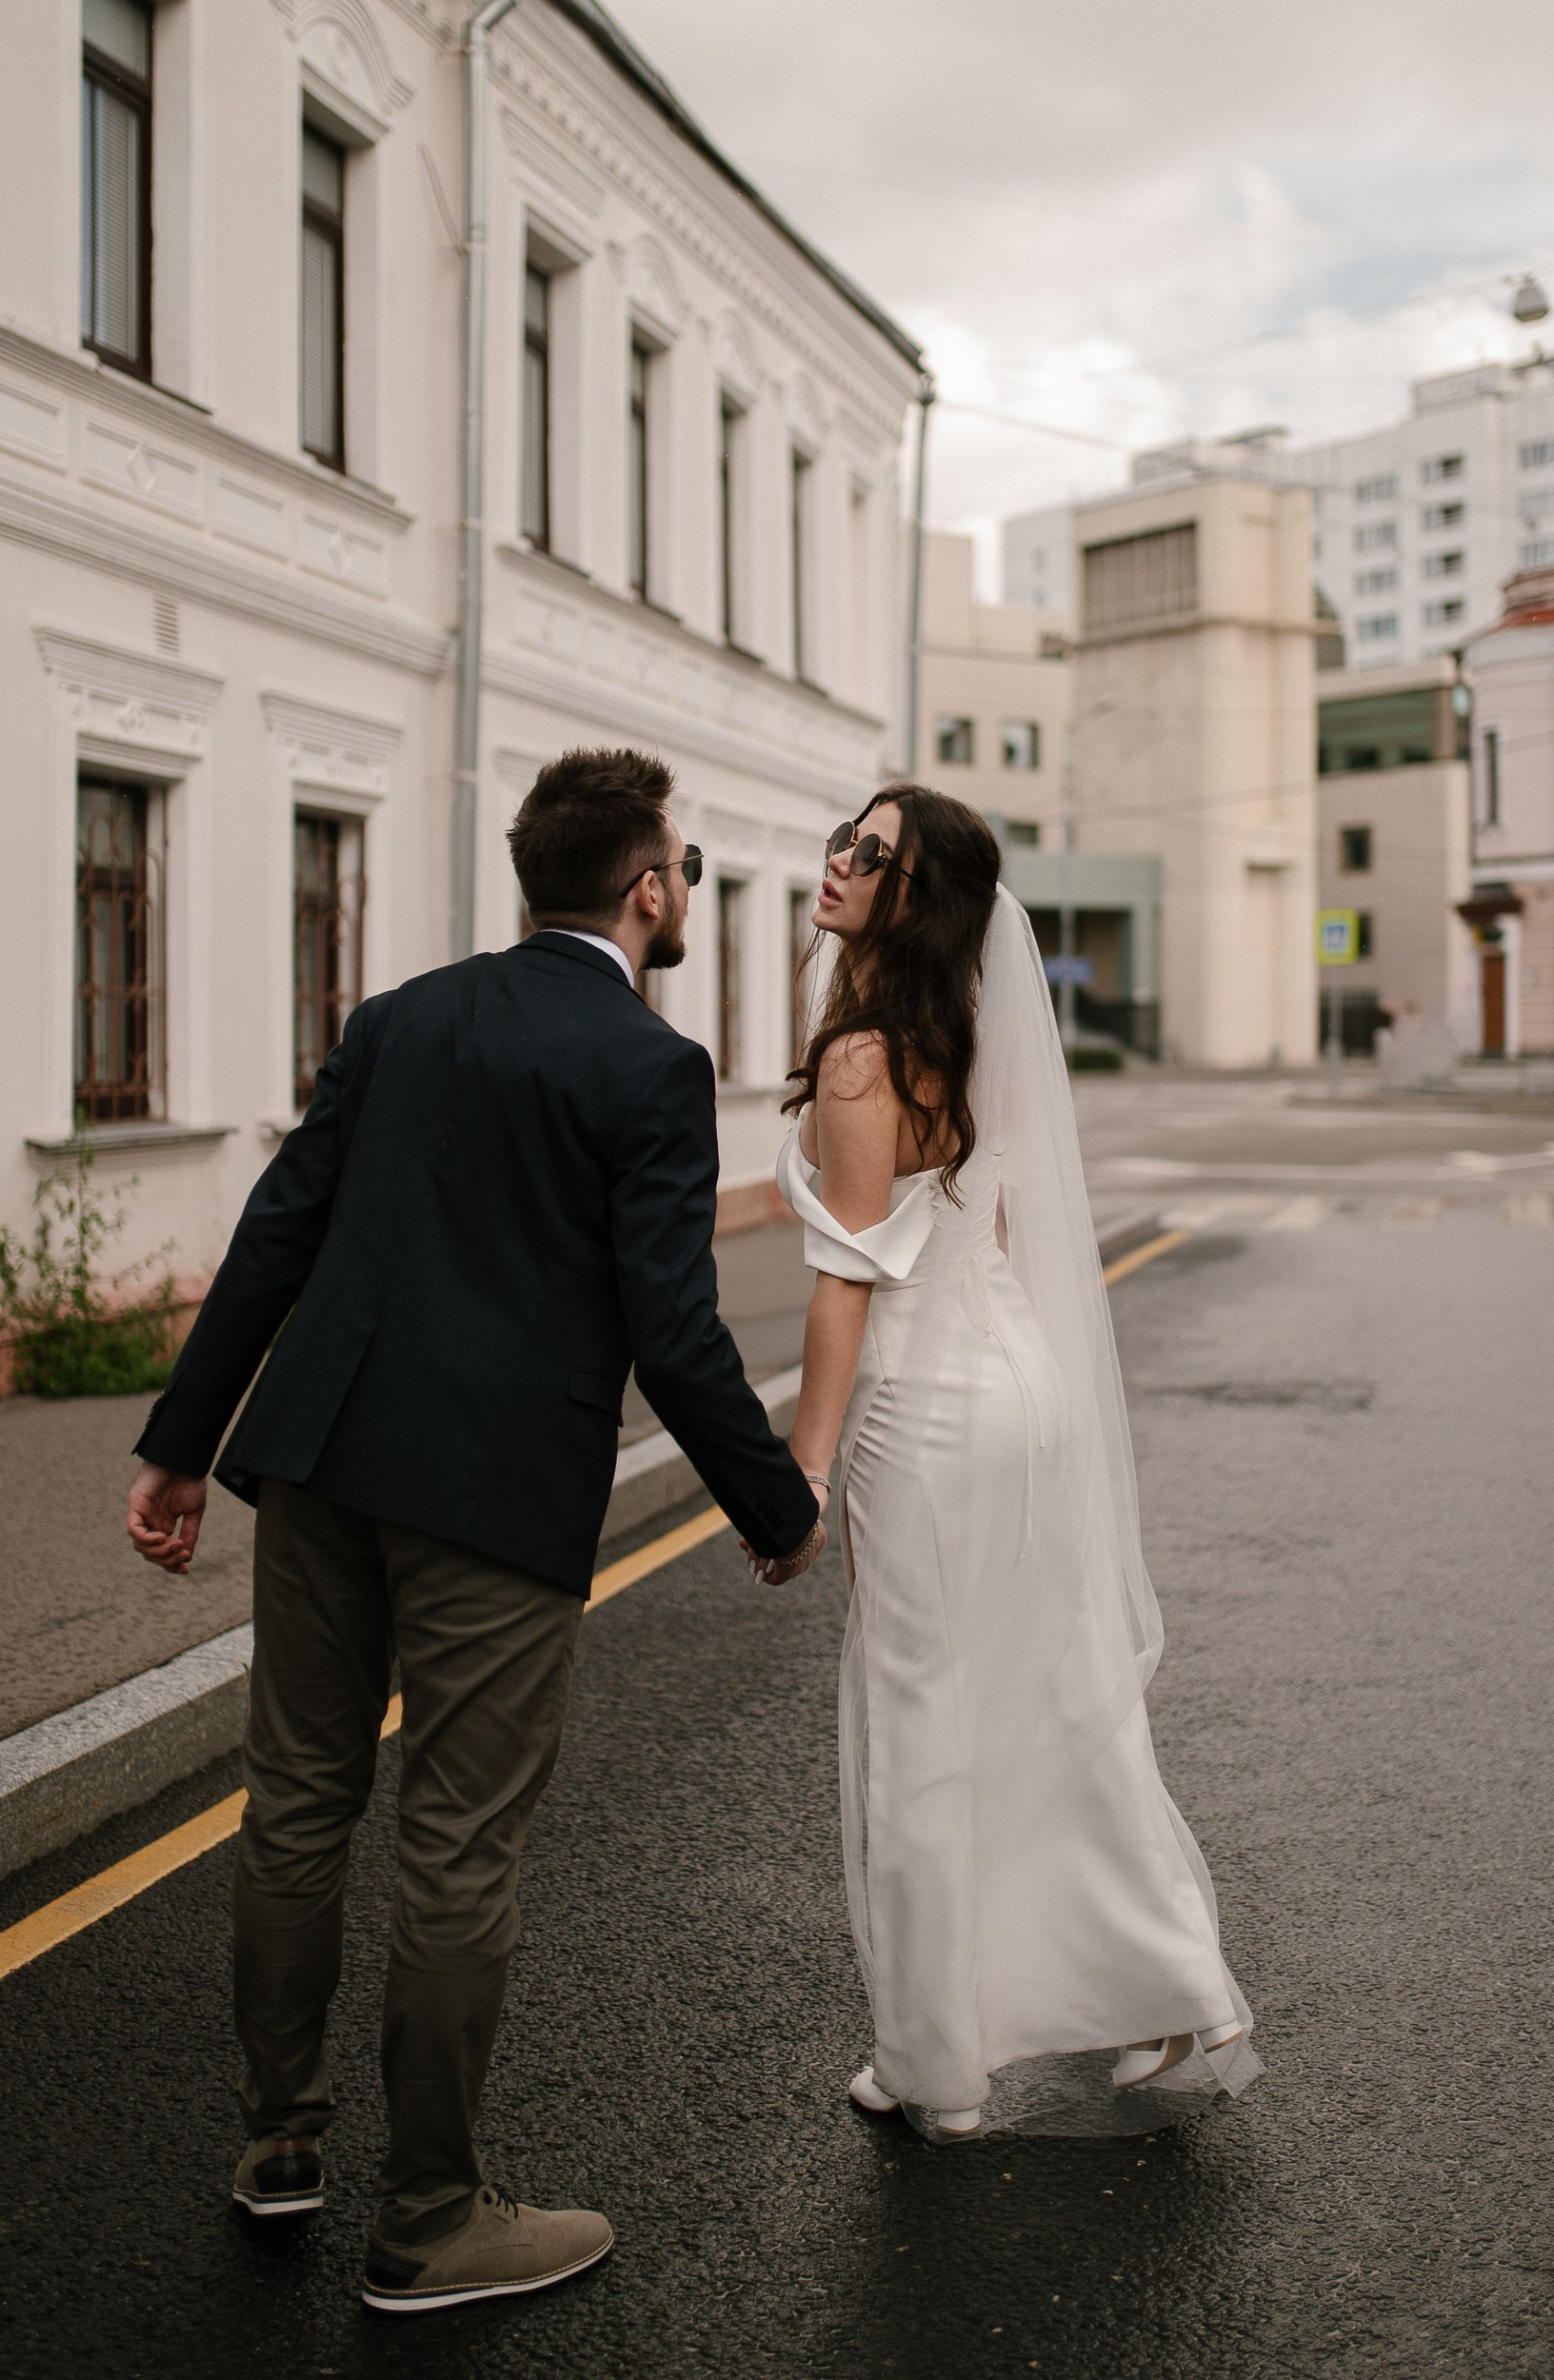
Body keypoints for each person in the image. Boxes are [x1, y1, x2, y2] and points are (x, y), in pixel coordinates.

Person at [125, 747, 825, 2312]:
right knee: (455, 1843)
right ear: (644, 889)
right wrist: (777, 1508)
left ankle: (278, 2147)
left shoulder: (402, 1017)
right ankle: (431, 2221)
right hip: (494, 1494)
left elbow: (278, 1230)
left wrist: (181, 1444)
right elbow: (673, 1331)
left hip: (318, 1459)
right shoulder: (651, 1065)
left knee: (294, 1806)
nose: (686, 891)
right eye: (686, 870)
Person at [767, 785, 1262, 2140]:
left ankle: (934, 2065)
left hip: (929, 1411)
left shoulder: (863, 1058)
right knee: (1052, 1694)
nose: (841, 862)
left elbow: (847, 1280)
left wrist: (803, 1472)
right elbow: (994, 1225)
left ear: (913, 898)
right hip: (1018, 1389)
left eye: (873, 855)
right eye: (846, 837)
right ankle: (1171, 1988)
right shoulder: (966, 1032)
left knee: (923, 1719)